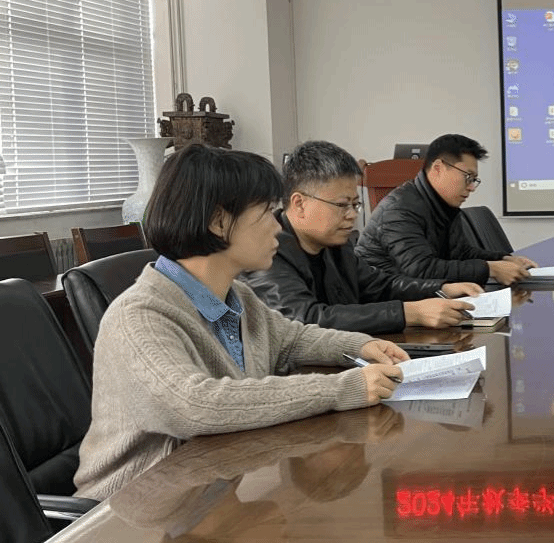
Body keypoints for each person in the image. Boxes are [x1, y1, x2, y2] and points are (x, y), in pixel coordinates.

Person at [75, 144, 408, 501]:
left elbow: (291, 339)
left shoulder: (237, 296)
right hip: (131, 509)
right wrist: (343, 389)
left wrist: (359, 345)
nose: (277, 227)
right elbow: (195, 406)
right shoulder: (140, 316)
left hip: (206, 490)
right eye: (267, 213)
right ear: (219, 222)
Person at [246, 140, 482, 335]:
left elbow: (382, 286)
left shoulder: (335, 245)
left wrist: (441, 289)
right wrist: (410, 313)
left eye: (355, 205)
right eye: (342, 205)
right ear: (299, 203)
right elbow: (307, 319)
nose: (351, 215)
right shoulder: (265, 252)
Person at [357, 133, 537, 285]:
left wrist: (503, 259)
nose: (471, 187)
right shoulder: (399, 210)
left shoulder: (444, 205)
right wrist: (491, 269)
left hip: (420, 295)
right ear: (438, 168)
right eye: (468, 177)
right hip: (384, 301)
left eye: (474, 180)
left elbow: (461, 253)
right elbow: (421, 269)